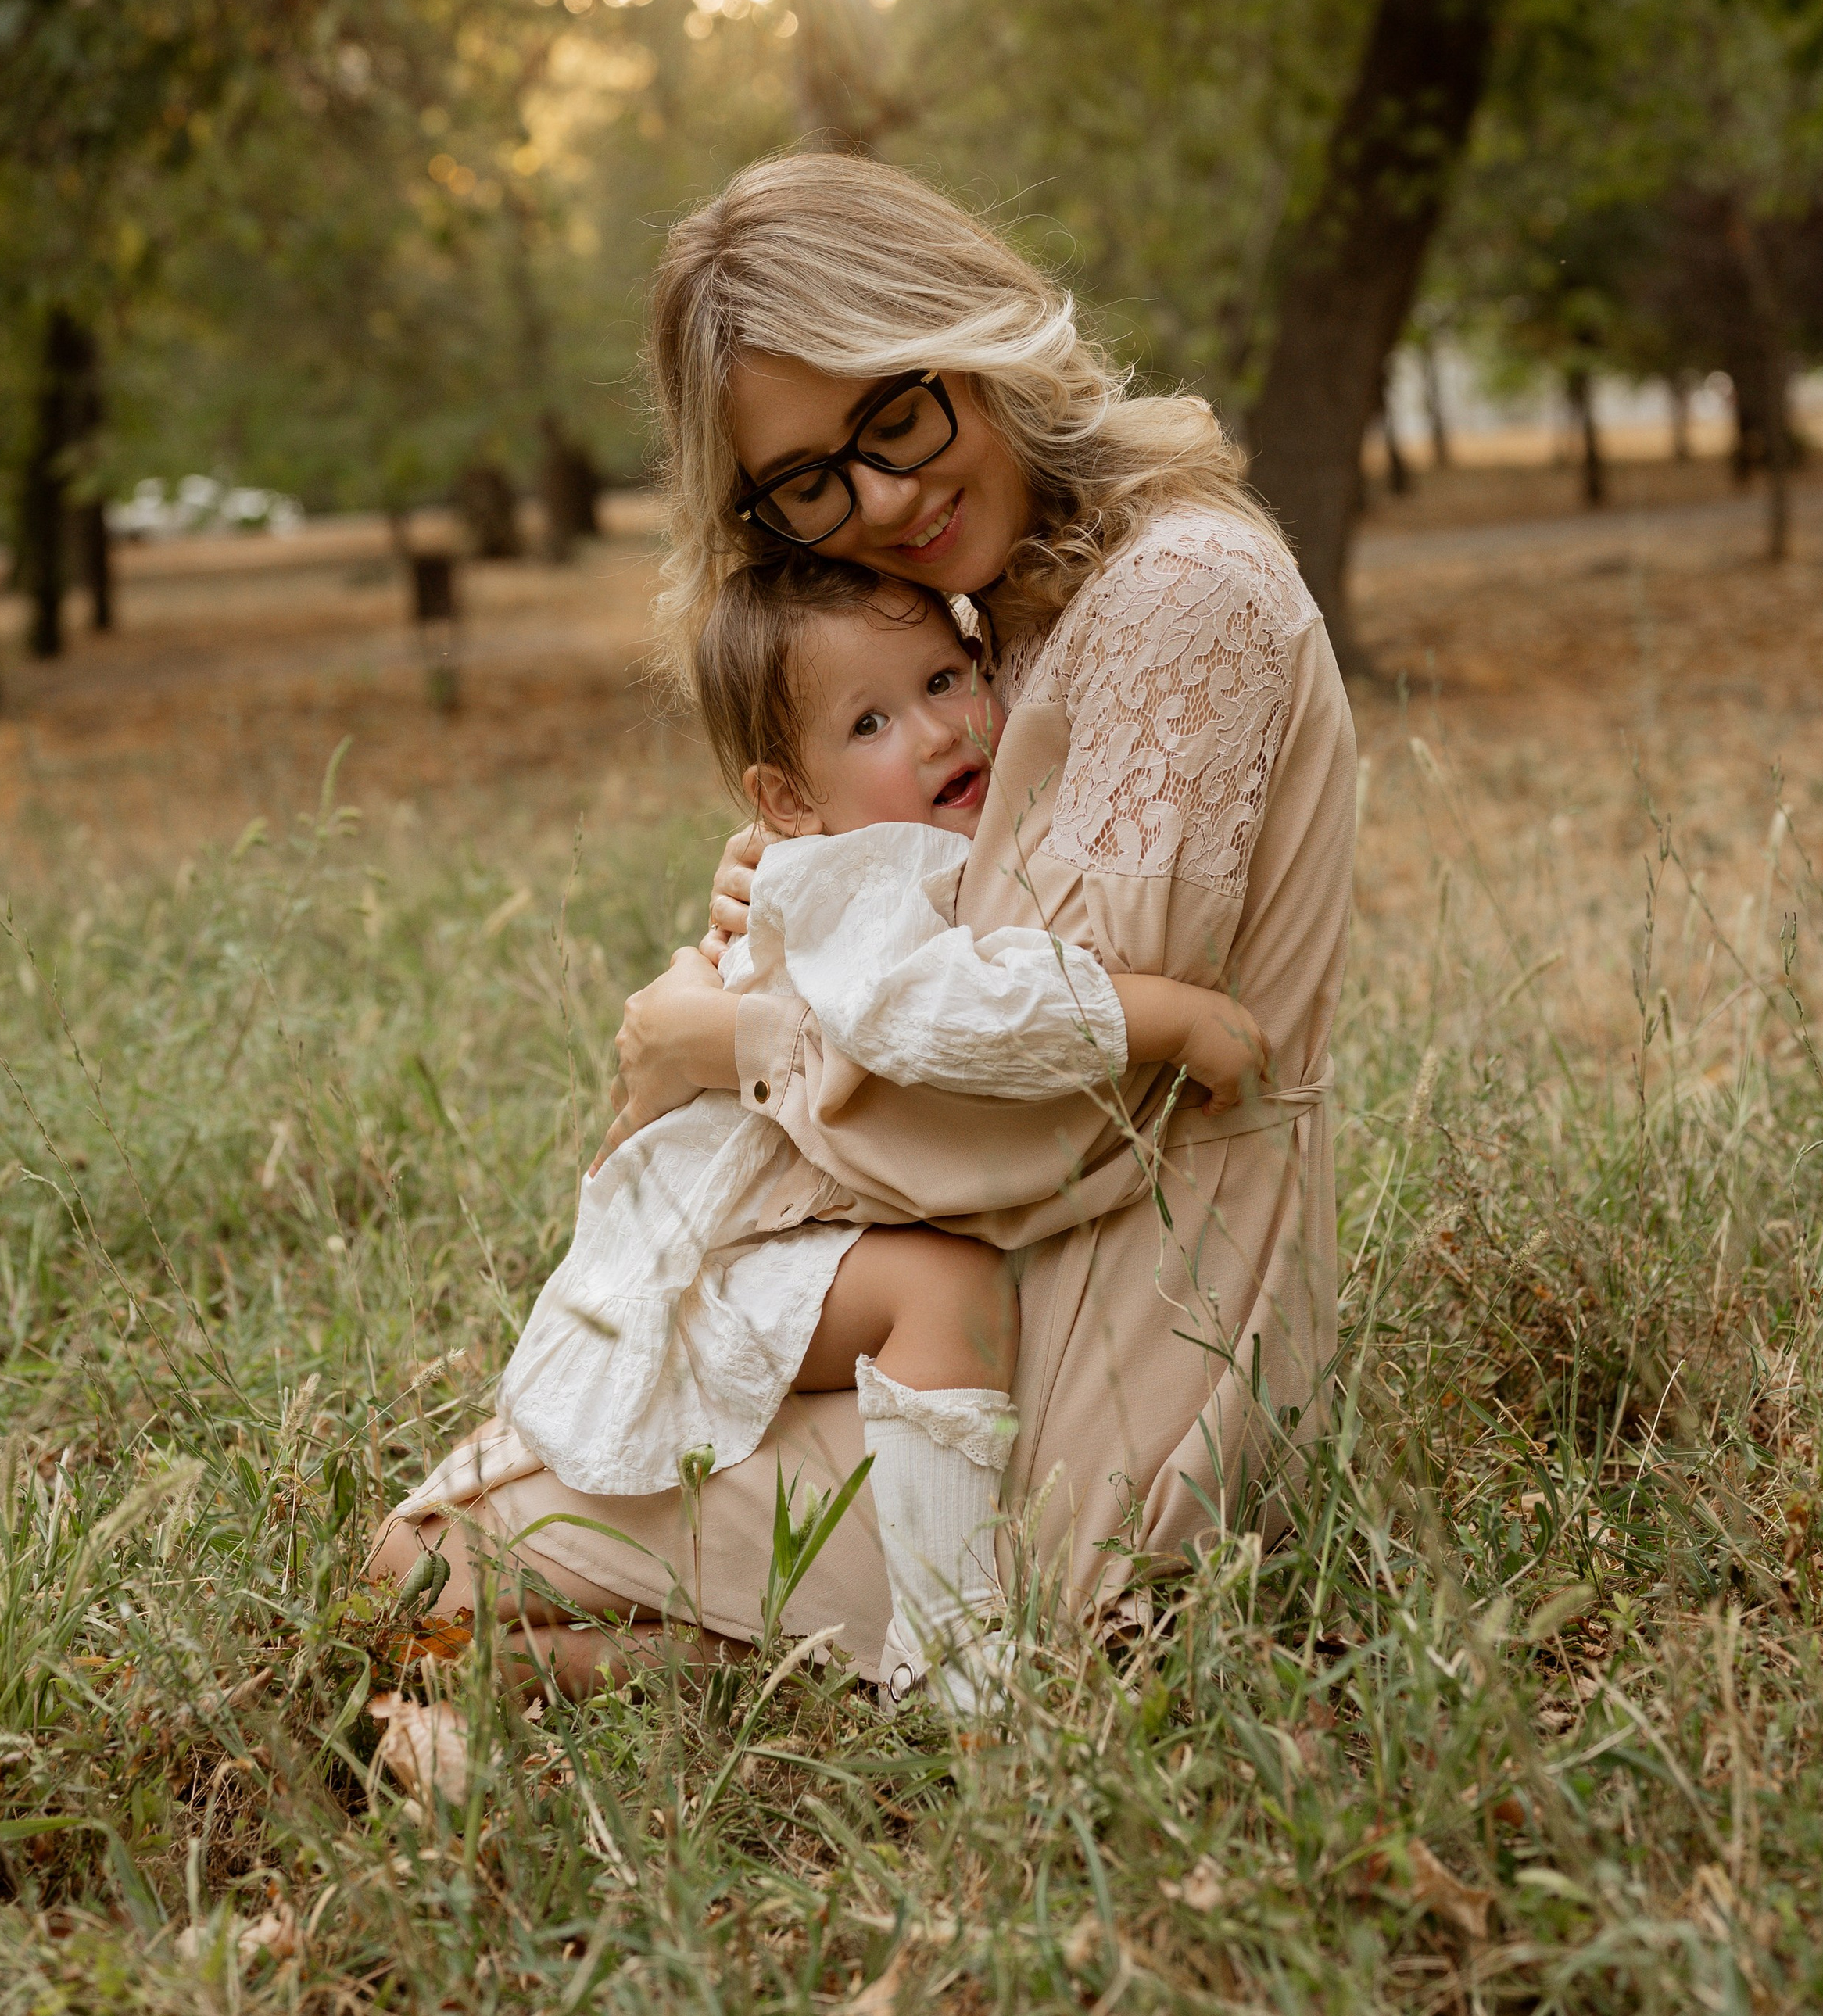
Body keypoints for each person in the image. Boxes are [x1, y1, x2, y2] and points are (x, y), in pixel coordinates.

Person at [374, 152, 1355, 1696]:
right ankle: (637, 1681)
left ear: (969, 331)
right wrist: (802, 889)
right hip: (975, 1304)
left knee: (435, 1556)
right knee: (439, 1558)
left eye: (894, 414)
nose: (882, 499)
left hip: (1118, 1336)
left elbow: (1054, 1116)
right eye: (811, 481)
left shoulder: (1180, 594)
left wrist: (719, 1036)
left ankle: (855, 1667)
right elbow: (946, 945)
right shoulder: (992, 616)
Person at [381, 551, 1269, 1710]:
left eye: (950, 679)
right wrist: (1167, 1016)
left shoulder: (901, 846)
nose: (945, 730)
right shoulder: (864, 874)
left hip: (767, 1247)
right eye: (872, 721)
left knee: (939, 1292)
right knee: (939, 1291)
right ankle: (950, 1665)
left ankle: (820, 1663)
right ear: (788, 800)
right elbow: (941, 1014)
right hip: (726, 1263)